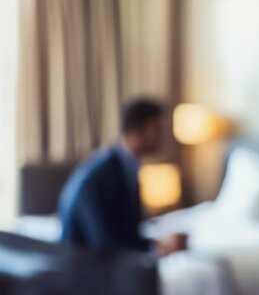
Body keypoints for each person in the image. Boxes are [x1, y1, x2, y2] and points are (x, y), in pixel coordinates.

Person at [58, 98, 186, 256]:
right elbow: (104, 242)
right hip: (86, 267)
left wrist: (157, 244)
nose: (163, 136)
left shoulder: (123, 165)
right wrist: (157, 249)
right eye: (158, 128)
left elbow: (125, 231)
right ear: (138, 131)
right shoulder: (102, 175)